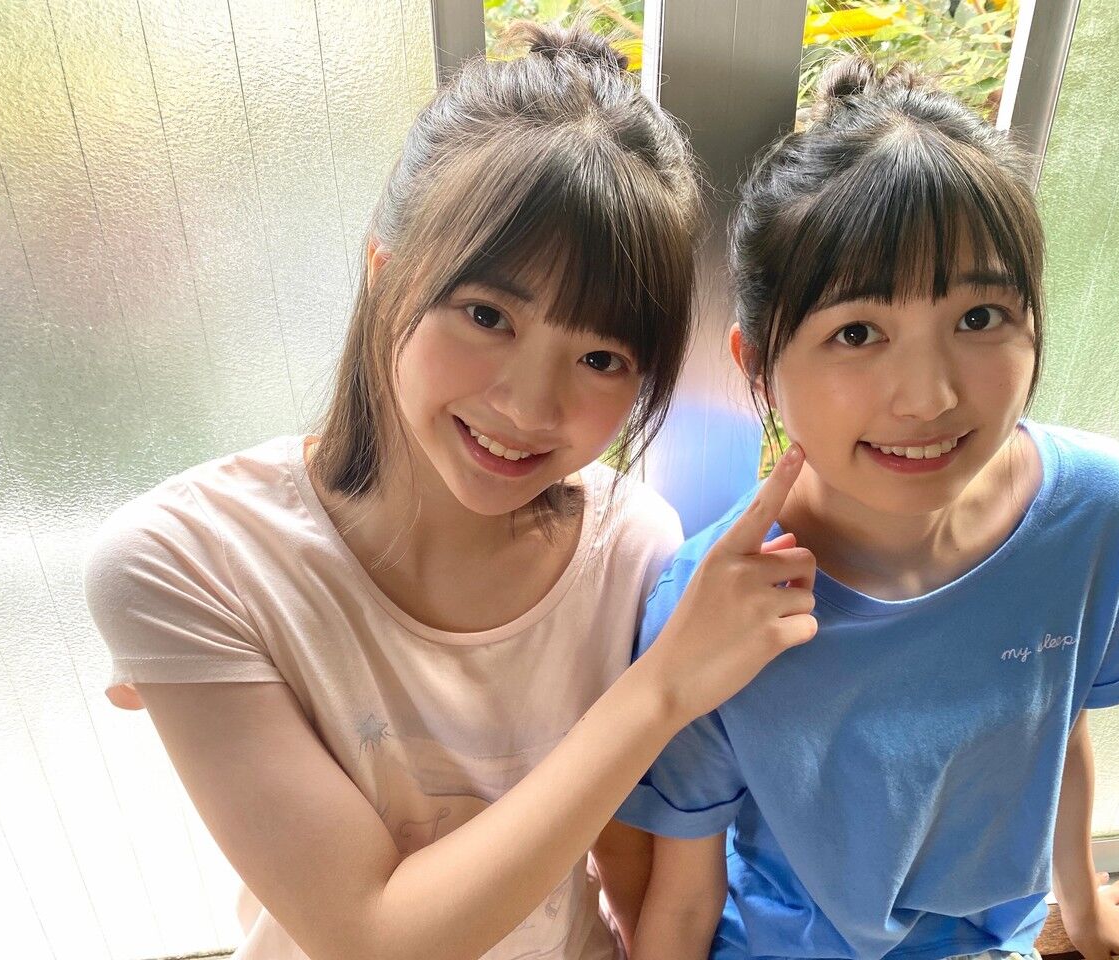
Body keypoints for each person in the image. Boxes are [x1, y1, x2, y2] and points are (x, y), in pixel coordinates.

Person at [82, 24, 818, 960]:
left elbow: (635, 885)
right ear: (386, 274)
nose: (530, 407)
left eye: (601, 357)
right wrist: (662, 688)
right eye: (486, 315)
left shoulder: (631, 543)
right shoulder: (189, 562)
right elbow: (373, 936)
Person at [618, 55, 1119, 960]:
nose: (928, 398)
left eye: (979, 318)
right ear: (757, 365)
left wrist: (1082, 908)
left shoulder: (1094, 509)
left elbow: (1060, 727)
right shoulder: (711, 601)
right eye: (857, 332)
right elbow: (684, 903)